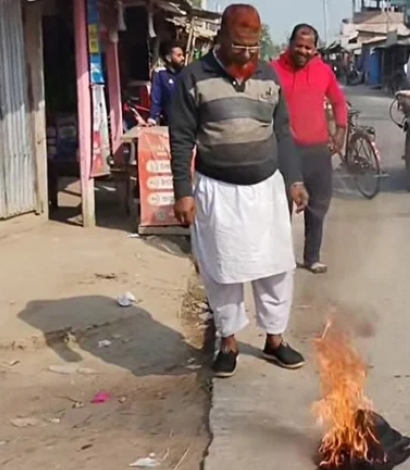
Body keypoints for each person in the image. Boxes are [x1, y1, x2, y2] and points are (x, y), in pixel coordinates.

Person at [168, 4, 310, 378]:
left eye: (253, 47)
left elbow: (282, 133)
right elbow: (181, 138)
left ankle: (275, 340)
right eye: (239, 46)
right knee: (223, 271)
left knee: (277, 268)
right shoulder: (192, 78)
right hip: (219, 192)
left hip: (266, 190)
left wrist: (294, 180)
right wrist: (183, 191)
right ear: (220, 39)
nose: (247, 55)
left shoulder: (270, 77)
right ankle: (228, 342)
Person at [272, 23, 348, 275]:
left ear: (315, 49)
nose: (303, 51)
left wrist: (340, 132)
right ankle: (279, 258)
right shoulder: (273, 70)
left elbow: (338, 102)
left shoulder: (324, 71)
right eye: (299, 45)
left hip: (317, 150)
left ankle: (312, 257)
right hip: (284, 150)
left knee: (318, 206)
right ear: (290, 44)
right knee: (280, 207)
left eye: (308, 47)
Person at [148, 42, 185, 126]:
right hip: (169, 123)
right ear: (169, 58)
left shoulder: (187, 73)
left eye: (183, 55)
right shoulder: (161, 74)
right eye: (179, 55)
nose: (183, 58)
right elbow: (156, 98)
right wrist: (152, 118)